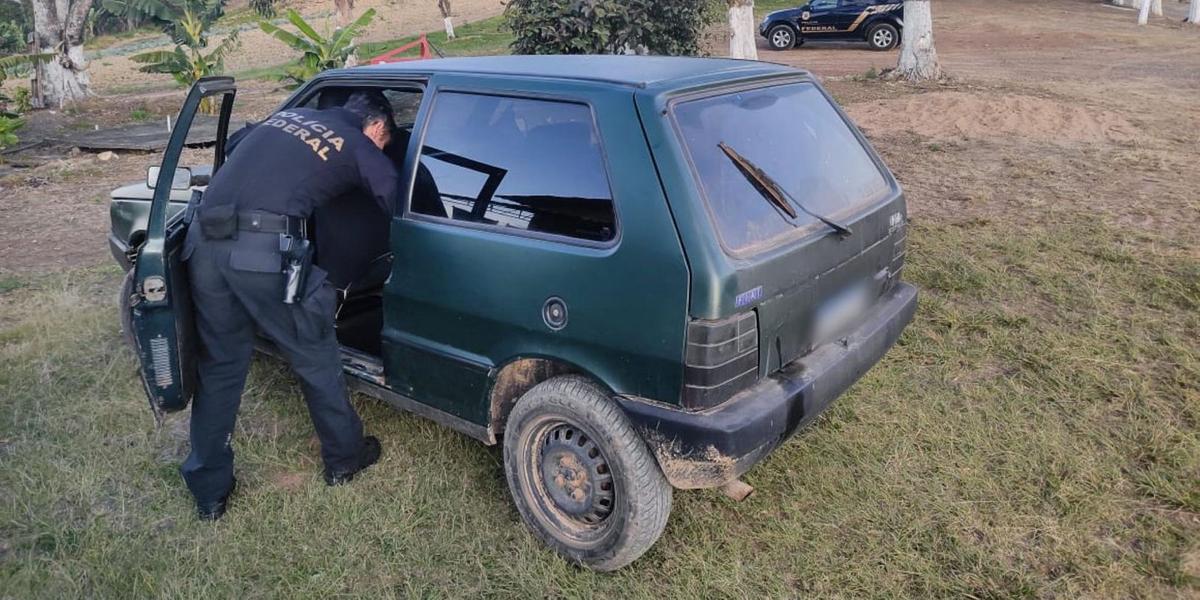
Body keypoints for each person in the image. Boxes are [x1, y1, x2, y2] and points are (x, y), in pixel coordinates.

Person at [180, 91, 399, 520]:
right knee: (316, 355)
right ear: (376, 128)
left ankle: (209, 494)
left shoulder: (290, 116)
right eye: (384, 143)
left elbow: (234, 148)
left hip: (204, 244)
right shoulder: (357, 144)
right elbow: (393, 193)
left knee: (220, 368)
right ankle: (345, 459)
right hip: (262, 252)